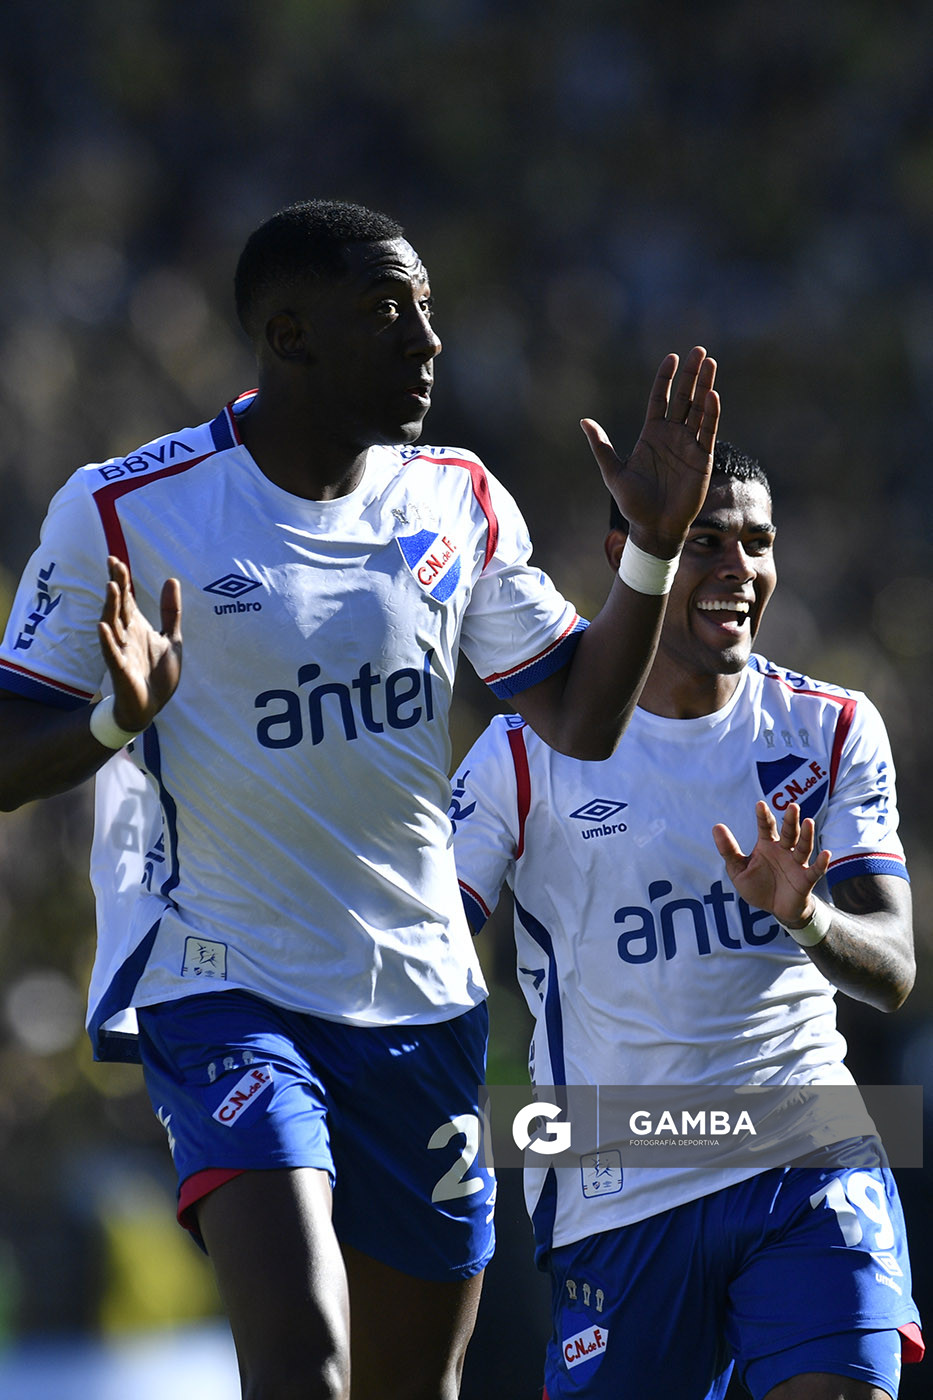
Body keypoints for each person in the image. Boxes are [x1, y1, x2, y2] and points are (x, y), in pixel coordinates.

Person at [0, 198, 720, 1400]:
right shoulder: (127, 509)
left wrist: (650, 550)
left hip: (423, 998)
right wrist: (117, 718)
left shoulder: (458, 496)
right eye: (389, 314)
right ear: (287, 336)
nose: (428, 342)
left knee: (410, 1384)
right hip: (228, 987)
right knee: (304, 1362)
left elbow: (582, 716)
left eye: (429, 311)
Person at [450, 440, 924, 1400]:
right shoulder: (520, 754)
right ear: (637, 554)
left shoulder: (829, 728)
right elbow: (429, 945)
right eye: (706, 543)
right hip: (620, 1187)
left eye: (757, 544)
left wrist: (809, 921)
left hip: (808, 1154)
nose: (738, 571)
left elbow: (894, 968)